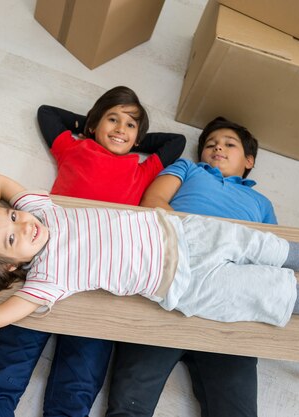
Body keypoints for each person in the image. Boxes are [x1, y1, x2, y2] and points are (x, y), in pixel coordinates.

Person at [0, 86, 186, 417]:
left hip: (100, 281)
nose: (121, 128)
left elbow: (175, 143)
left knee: (76, 389)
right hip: (45, 260)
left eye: (131, 124)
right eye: (113, 119)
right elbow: (47, 112)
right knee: (5, 372)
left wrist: (132, 140)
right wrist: (92, 127)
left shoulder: (141, 168)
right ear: (93, 124)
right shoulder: (75, 149)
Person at [0, 173, 299, 330]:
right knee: (270, 293)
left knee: (266, 246)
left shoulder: (44, 212)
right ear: (10, 266)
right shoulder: (46, 279)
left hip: (187, 232)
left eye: (14, 215)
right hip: (187, 283)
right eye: (12, 240)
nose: (24, 226)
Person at [105, 116, 283, 417]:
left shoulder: (261, 202)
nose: (217, 148)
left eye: (229, 144)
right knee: (128, 406)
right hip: (169, 288)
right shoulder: (189, 169)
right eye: (210, 144)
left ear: (249, 160)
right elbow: (153, 201)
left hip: (228, 309)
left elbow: (270, 255)